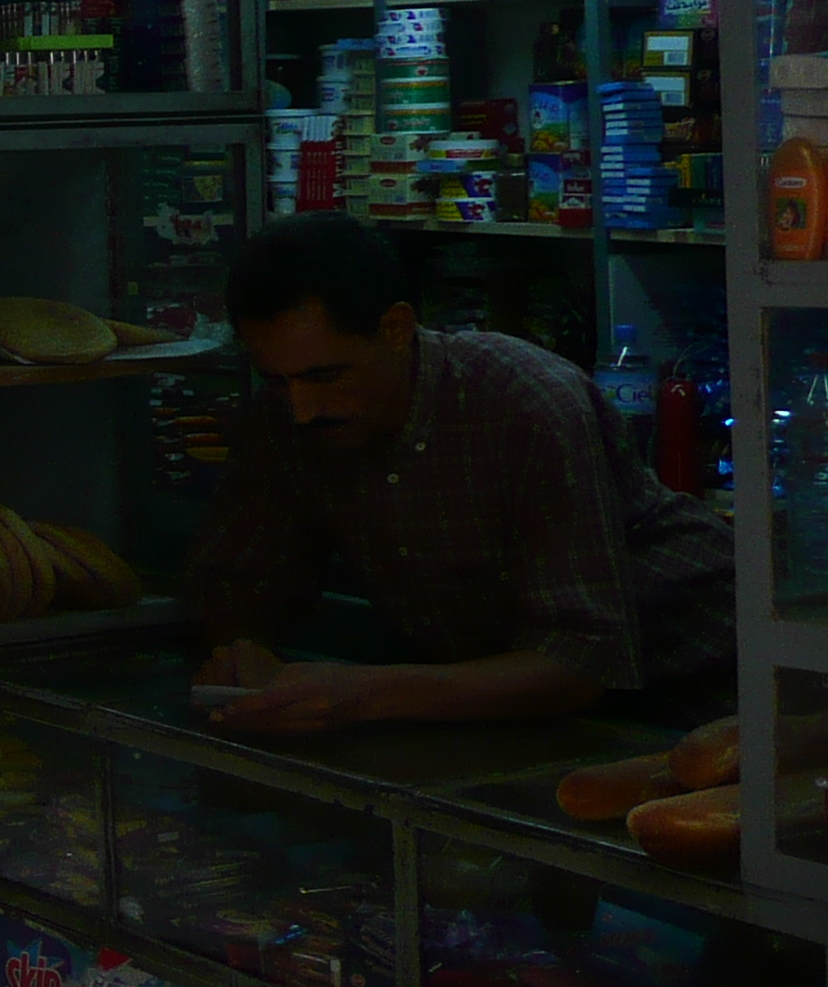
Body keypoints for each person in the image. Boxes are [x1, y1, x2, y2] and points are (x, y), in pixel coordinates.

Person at [185, 212, 735, 735]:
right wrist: (239, 651)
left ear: (397, 328)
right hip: (520, 712)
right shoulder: (289, 418)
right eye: (278, 383)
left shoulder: (524, 402)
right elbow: (238, 582)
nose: (302, 408)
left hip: (698, 691)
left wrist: (364, 694)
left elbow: (581, 664)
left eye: (325, 376)